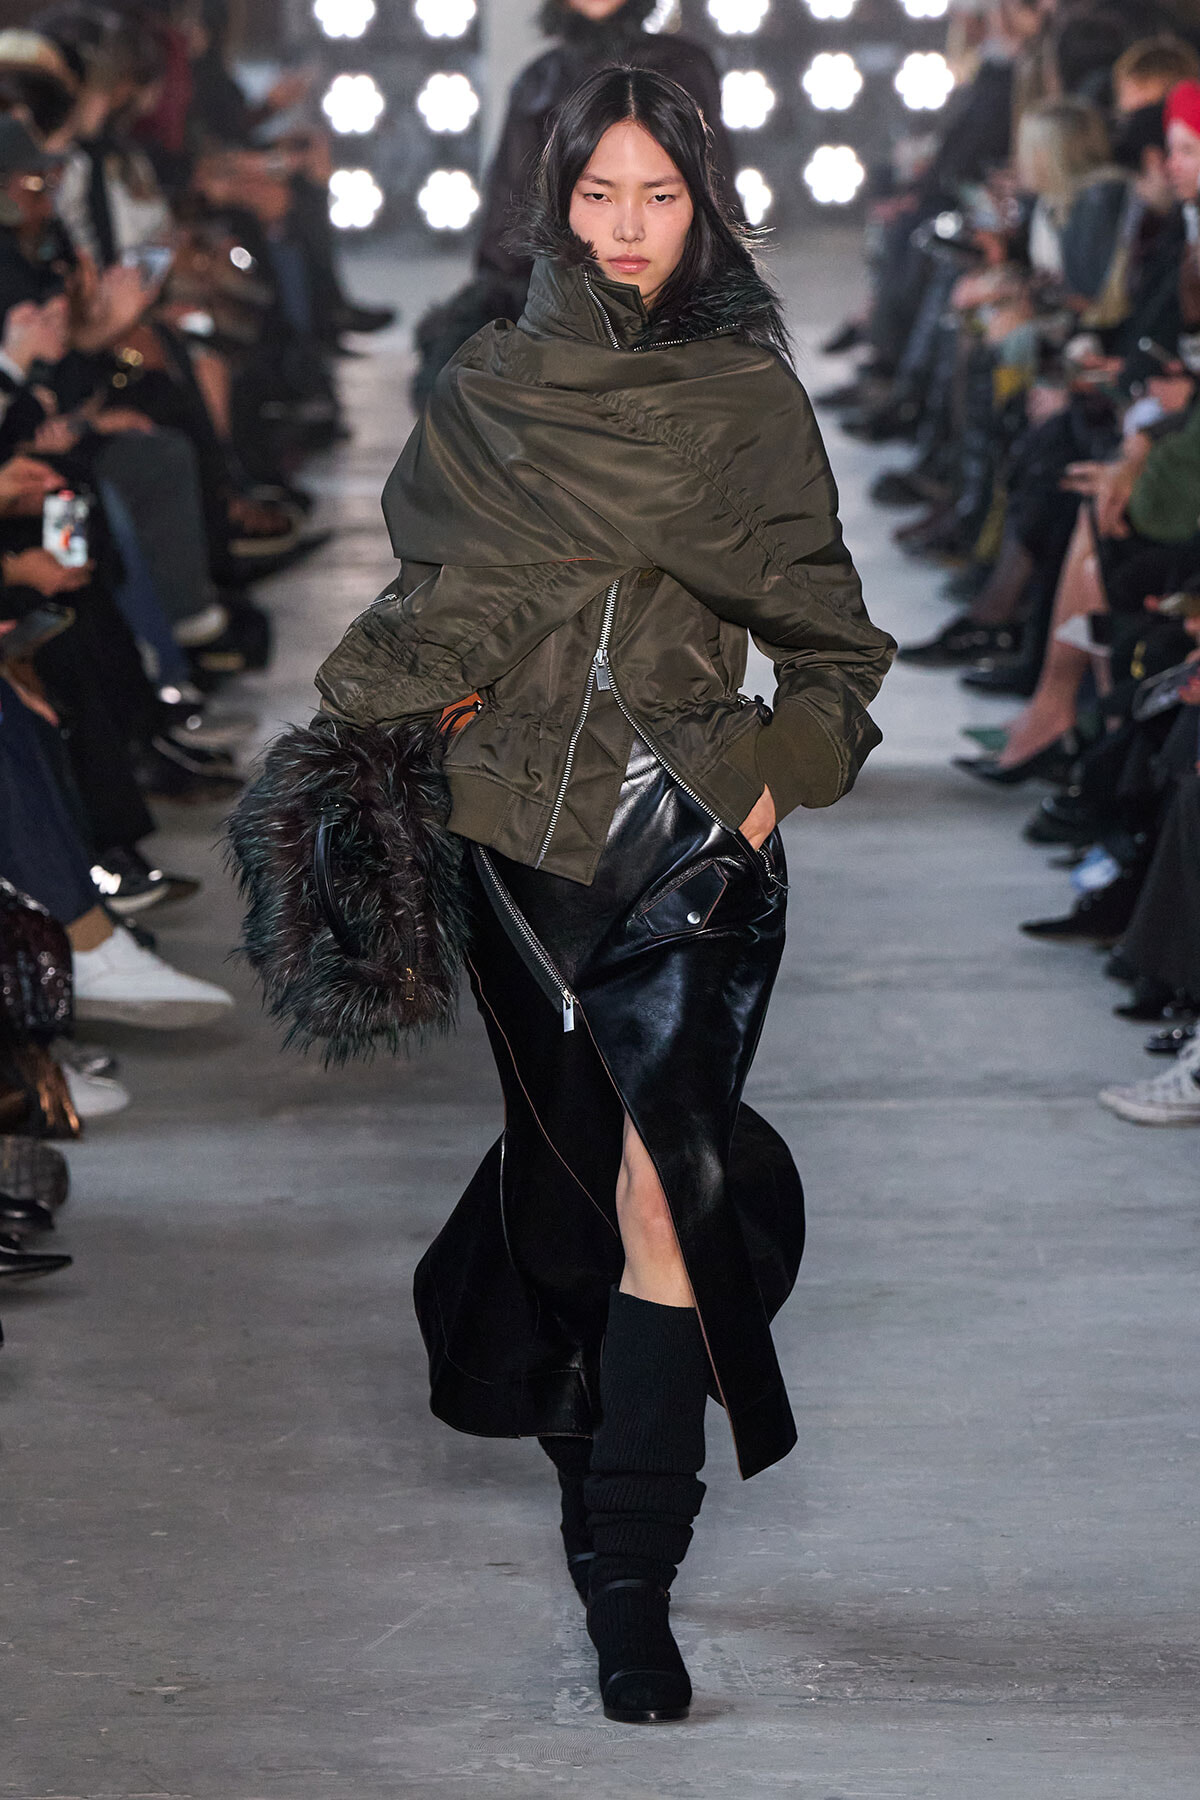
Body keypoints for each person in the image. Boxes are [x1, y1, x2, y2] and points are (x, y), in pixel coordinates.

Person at [315, 67, 893, 1723]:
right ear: (552, 201)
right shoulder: (488, 386)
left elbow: (836, 645)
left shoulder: (745, 396)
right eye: (600, 197)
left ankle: (634, 1571)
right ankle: (568, 1395)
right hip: (520, 830)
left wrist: (770, 781)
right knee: (568, 1168)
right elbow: (431, 601)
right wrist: (380, 748)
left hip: (699, 835)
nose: (631, 231)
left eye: (661, 197)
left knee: (664, 1182)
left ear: (703, 204)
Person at [410, 0, 736, 406]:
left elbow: (716, 191)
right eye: (598, 194)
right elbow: (507, 215)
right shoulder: (539, 81)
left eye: (657, 195)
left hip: (676, 297)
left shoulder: (686, 67)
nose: (627, 222)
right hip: (557, 294)